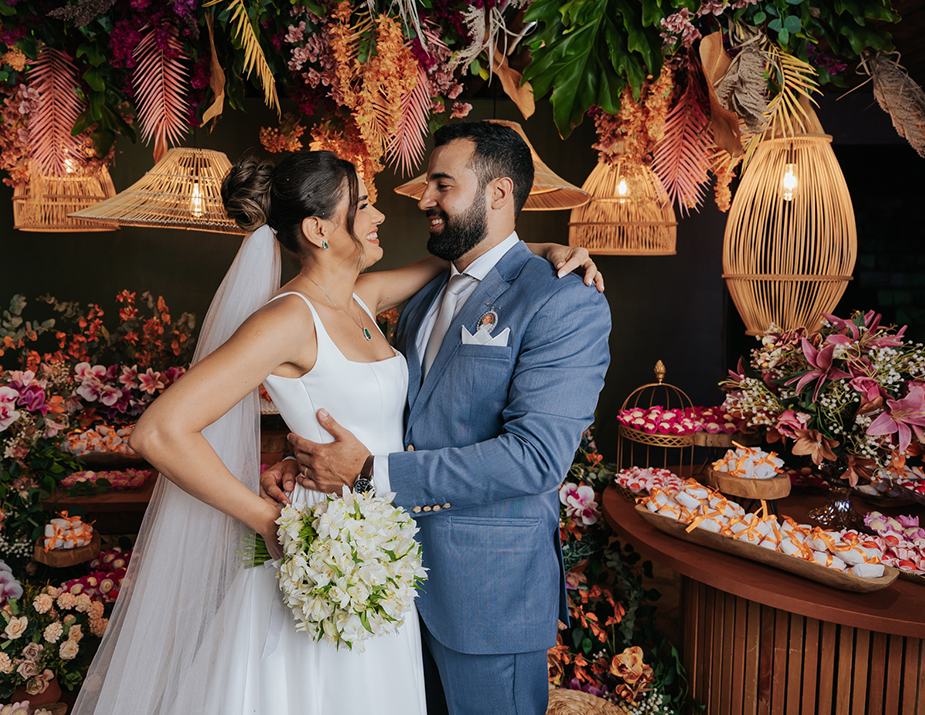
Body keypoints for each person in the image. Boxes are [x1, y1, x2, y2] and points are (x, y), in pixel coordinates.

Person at [70, 147, 603, 715]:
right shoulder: (287, 319)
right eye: (364, 205)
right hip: (329, 547)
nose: (380, 215)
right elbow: (157, 432)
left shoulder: (361, 300)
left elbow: (472, 261)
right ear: (318, 229)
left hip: (386, 550)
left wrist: (542, 251)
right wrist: (267, 519)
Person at [277, 122, 612, 715]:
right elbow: (395, 414)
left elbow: (535, 458)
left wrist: (369, 472)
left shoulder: (564, 299)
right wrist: (303, 461)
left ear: (499, 193)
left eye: (442, 185)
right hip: (391, 586)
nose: (424, 200)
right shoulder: (426, 295)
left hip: (490, 598)